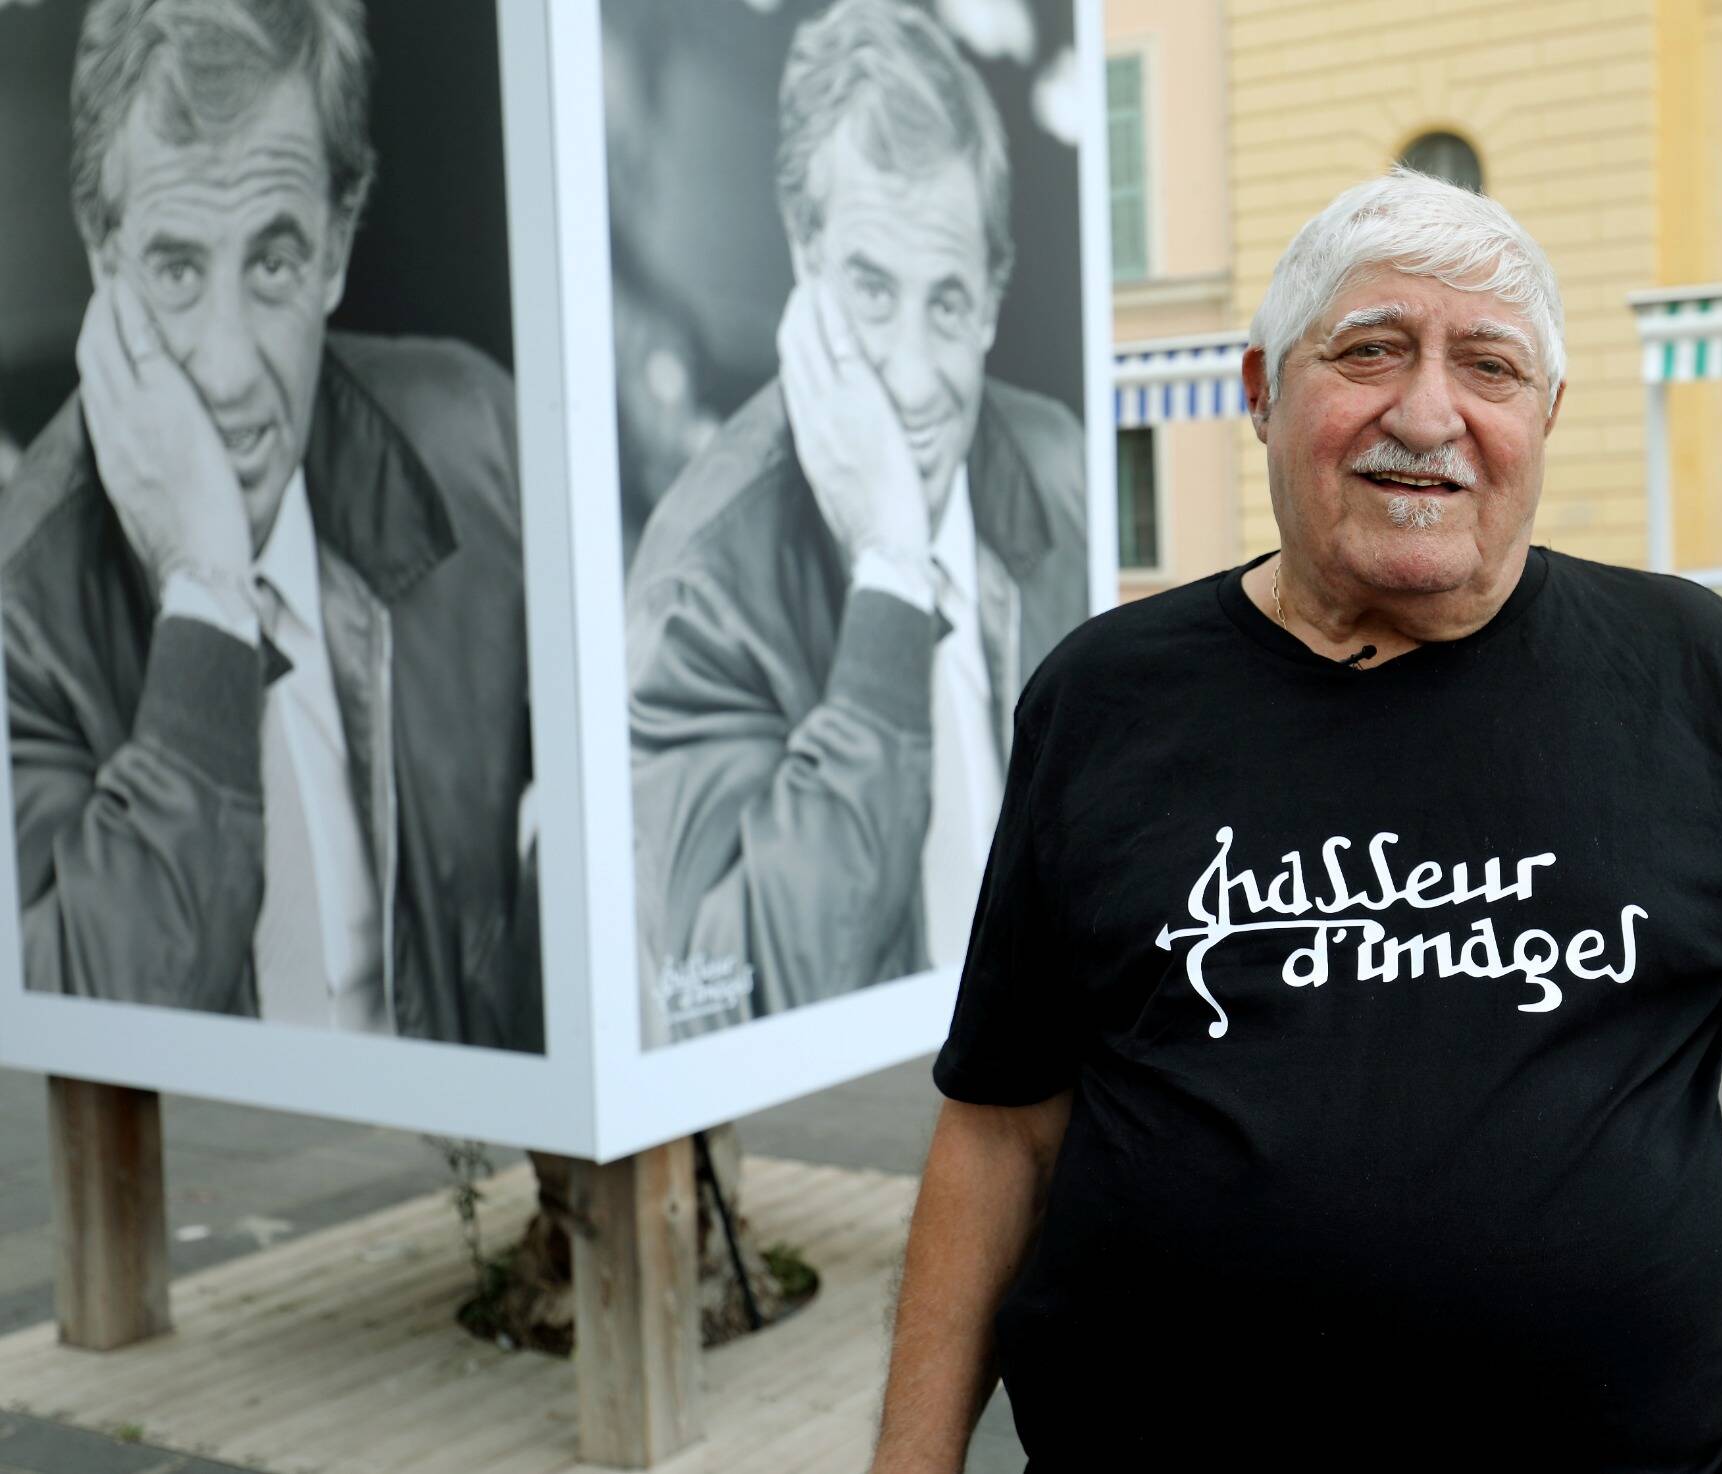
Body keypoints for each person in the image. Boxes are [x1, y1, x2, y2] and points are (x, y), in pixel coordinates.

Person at [874, 170, 1722, 1473]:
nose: (1426, 413)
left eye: (1488, 367)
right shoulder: (1105, 695)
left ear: (1544, 416)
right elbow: (1000, 1123)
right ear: (1260, 392)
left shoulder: (1695, 673)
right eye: (1368, 350)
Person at [0, 0, 540, 1050]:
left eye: (274, 263)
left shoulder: (477, 443)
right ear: (103, 255)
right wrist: (206, 595)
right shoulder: (16, 606)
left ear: (338, 244)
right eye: (175, 270)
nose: (231, 365)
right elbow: (80, 1050)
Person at [624, 0, 1086, 1046]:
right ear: (804, 254)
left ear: (997, 295)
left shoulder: (1062, 473)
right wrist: (889, 582)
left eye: (949, 302)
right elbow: (742, 996)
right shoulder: (695, 576)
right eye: (873, 295)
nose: (917, 382)